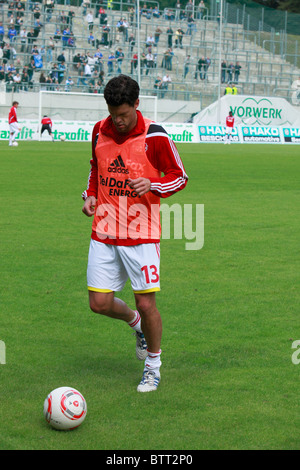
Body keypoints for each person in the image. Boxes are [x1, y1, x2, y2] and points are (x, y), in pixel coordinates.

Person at [81, 75, 188, 392]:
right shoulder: (100, 130)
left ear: (137, 104)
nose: (118, 120)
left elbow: (179, 176)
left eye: (124, 114)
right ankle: (136, 326)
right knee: (98, 304)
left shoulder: (155, 135)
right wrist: (90, 194)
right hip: (103, 230)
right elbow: (96, 167)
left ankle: (153, 367)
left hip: (141, 233)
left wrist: (152, 184)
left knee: (146, 304)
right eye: (114, 113)